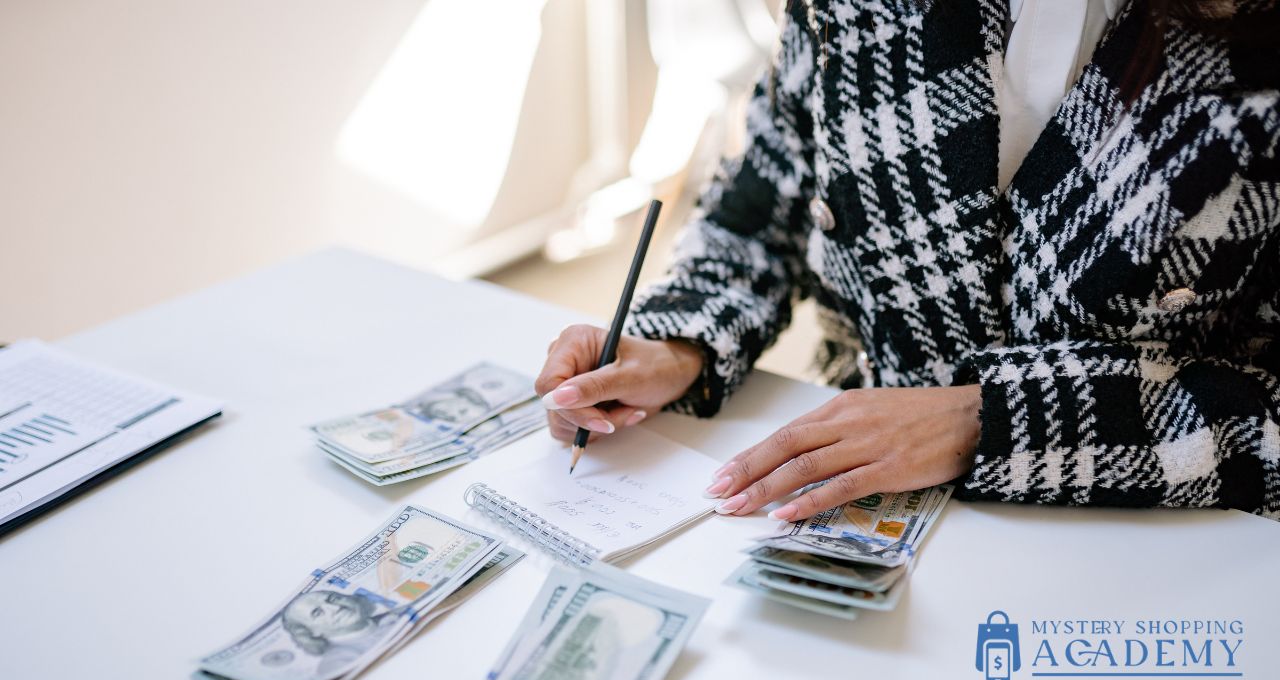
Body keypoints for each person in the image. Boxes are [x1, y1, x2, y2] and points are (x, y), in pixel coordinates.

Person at [536, 0, 1280, 522]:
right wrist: (677, 337)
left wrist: (997, 420)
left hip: (1160, 568)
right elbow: (764, 204)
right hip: (852, 521)